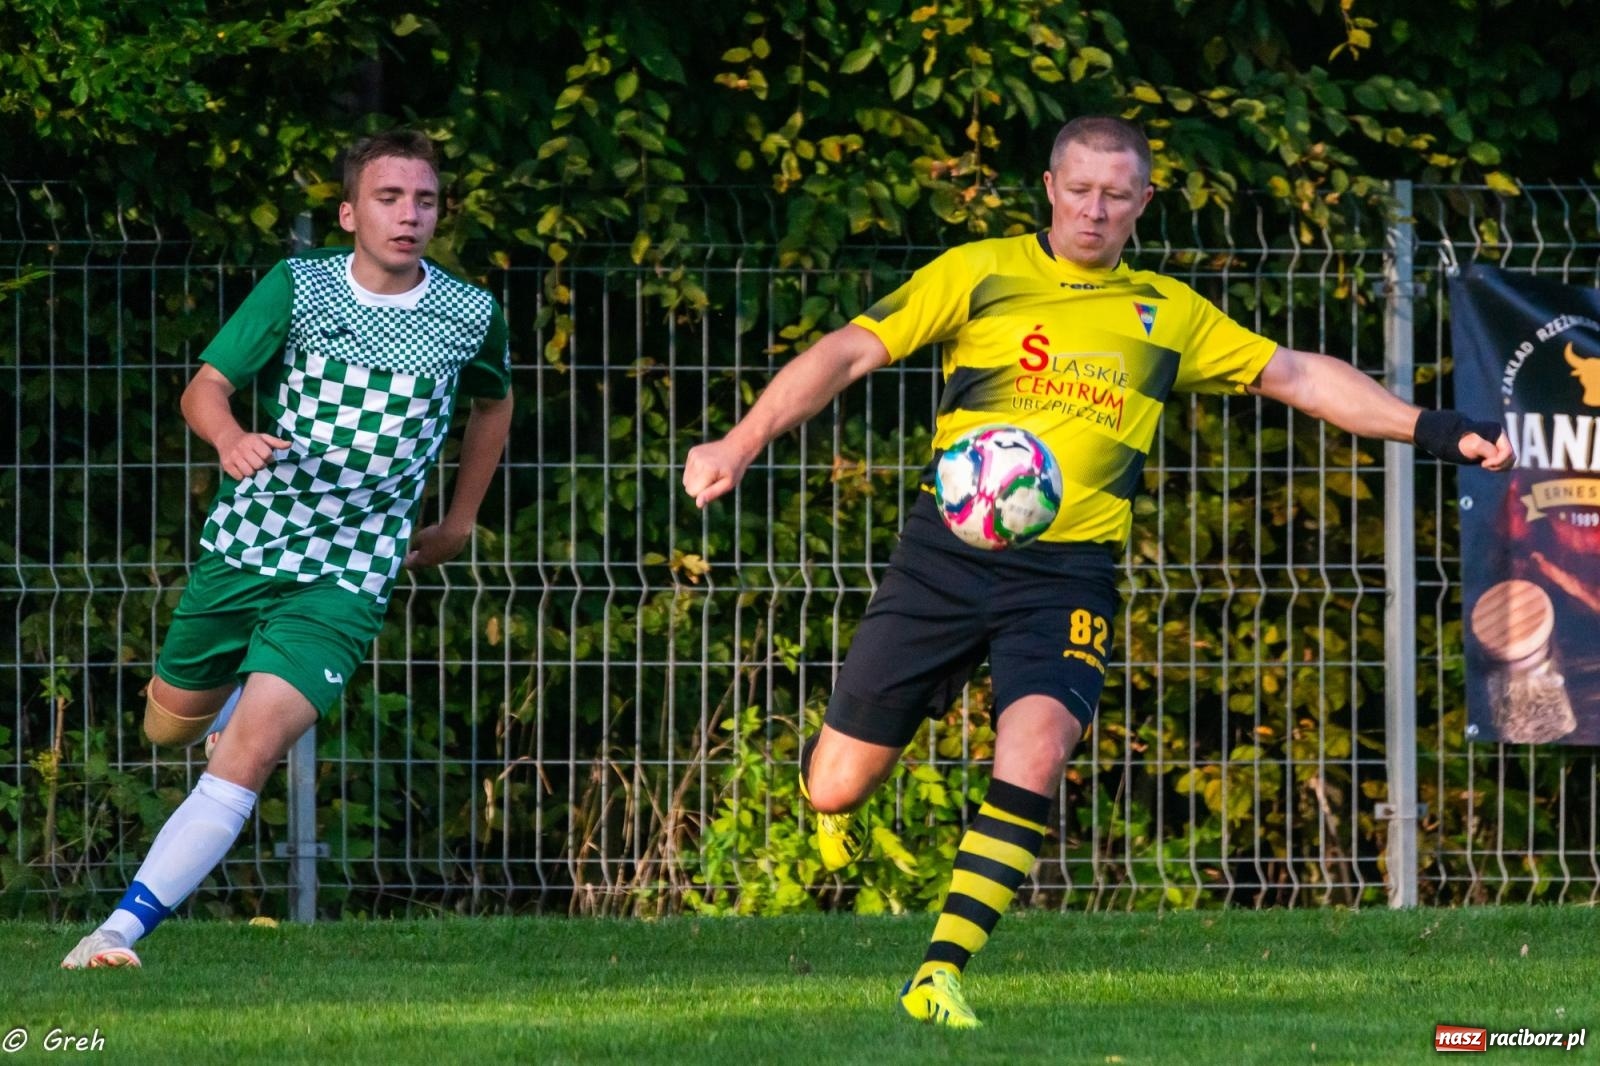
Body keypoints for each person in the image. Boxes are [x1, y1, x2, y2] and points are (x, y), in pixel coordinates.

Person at [681, 115, 1513, 1028]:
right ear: (1049, 188)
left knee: (1037, 753)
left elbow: (1299, 376)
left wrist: (1434, 428)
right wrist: (743, 438)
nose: (1095, 210)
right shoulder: (980, 272)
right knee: (837, 781)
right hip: (943, 561)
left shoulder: (1165, 312)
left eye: (1116, 195)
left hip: (1067, 576)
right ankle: (836, 797)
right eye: (1079, 189)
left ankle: (940, 971)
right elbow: (849, 349)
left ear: (1143, 204)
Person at [62, 130, 515, 969]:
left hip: (349, 571)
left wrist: (457, 522)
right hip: (250, 545)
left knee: (251, 753)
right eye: (388, 198)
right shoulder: (299, 287)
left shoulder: (470, 313)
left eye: (424, 200)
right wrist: (230, 437)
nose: (409, 215)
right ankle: (220, 703)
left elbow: (493, 405)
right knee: (167, 725)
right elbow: (205, 387)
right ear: (349, 213)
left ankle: (117, 933)